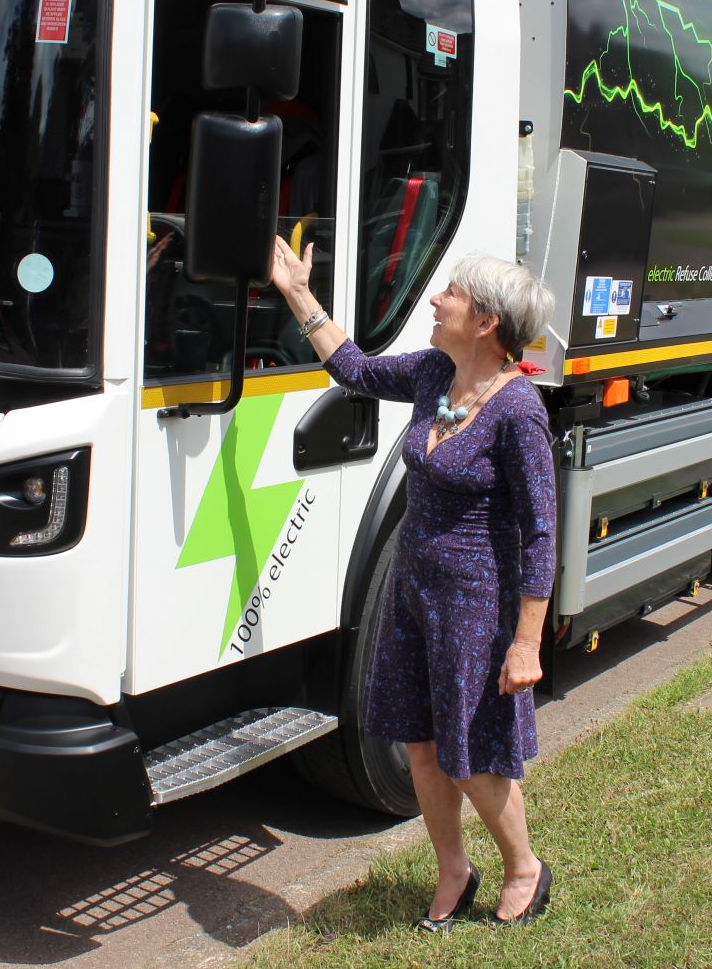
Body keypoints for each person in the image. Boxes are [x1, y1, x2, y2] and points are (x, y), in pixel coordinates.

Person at [268, 236, 558, 929]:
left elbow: (540, 531)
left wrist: (525, 642)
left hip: (476, 605)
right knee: (421, 747)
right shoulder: (434, 373)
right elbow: (356, 370)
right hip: (409, 595)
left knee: (469, 756)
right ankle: (453, 872)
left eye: (450, 293)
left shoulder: (518, 411)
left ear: (486, 321)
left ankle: (524, 867)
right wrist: (297, 293)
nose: (436, 299)